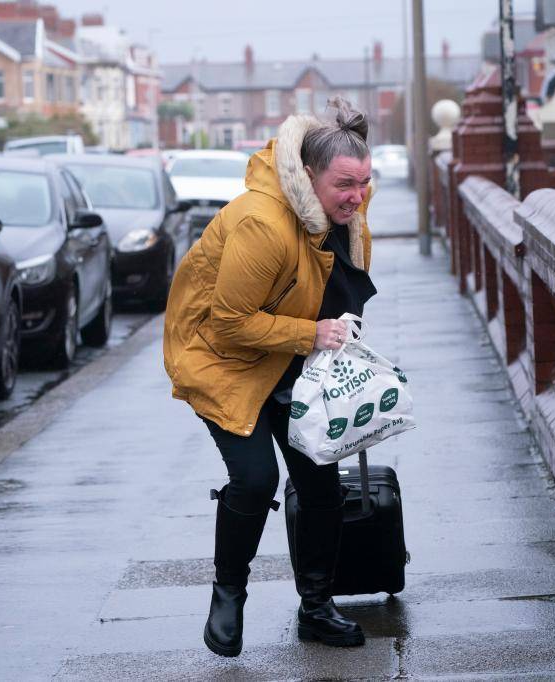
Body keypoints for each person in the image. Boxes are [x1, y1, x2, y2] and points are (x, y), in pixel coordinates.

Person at [163, 98, 377, 657]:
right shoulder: (263, 223)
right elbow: (230, 322)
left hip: (292, 365)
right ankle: (228, 592)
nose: (357, 197)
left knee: (320, 480)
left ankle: (317, 607)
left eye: (364, 183)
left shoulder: (342, 211)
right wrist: (311, 335)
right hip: (224, 360)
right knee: (255, 480)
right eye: (345, 185)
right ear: (308, 176)